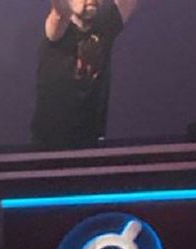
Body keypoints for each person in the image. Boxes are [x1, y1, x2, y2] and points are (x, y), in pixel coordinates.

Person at [31, 0, 138, 150]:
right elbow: (59, 15)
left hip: (90, 146)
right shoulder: (57, 33)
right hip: (50, 148)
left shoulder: (104, 25)